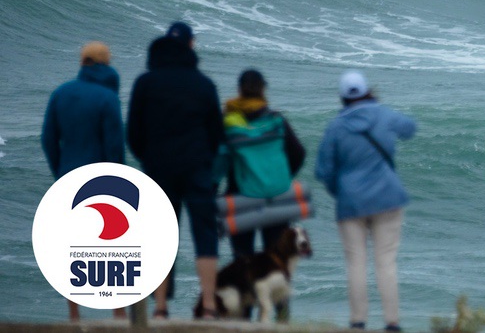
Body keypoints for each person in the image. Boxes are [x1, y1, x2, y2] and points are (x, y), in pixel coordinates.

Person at [126, 21, 224, 319]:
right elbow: (217, 134)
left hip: (158, 167)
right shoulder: (204, 84)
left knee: (161, 235)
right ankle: (208, 306)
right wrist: (204, 162)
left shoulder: (145, 82)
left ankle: (160, 307)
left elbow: (133, 132)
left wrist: (149, 158)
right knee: (205, 234)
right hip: (196, 168)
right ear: (191, 46)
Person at [316, 70, 416, 332]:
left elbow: (323, 171)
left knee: (355, 263)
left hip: (351, 203)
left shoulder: (336, 126)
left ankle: (357, 322)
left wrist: (340, 191)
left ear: (342, 97)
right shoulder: (383, 114)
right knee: (386, 261)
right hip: (388, 197)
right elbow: (410, 128)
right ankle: (392, 323)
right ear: (367, 91)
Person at [42, 41, 127, 322]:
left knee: (73, 247)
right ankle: (118, 313)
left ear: (82, 62)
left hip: (68, 177)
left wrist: (61, 171)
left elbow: (48, 140)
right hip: (103, 182)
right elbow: (115, 146)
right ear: (106, 64)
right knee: (113, 248)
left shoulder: (60, 93)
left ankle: (74, 315)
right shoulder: (107, 98)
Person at [220, 68, 307, 258]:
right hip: (276, 196)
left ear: (239, 89)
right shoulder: (276, 120)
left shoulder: (230, 122)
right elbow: (299, 153)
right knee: (275, 261)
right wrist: (281, 177)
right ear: (263, 89)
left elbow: (220, 159)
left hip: (241, 196)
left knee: (243, 260)